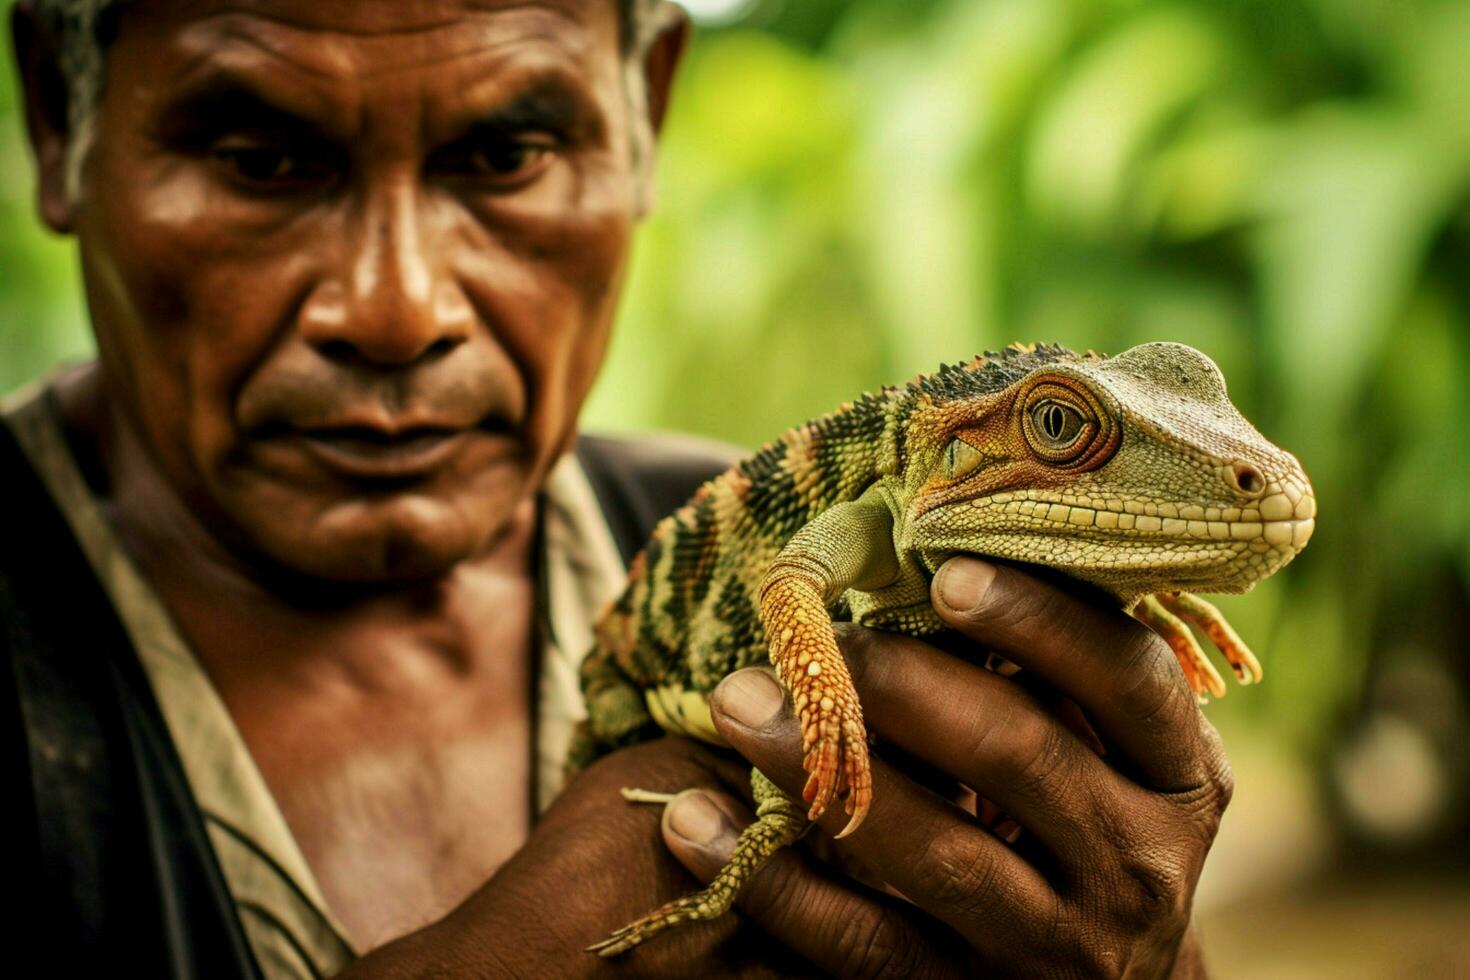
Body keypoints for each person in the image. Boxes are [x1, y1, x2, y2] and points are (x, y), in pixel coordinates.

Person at [4, 0, 1230, 975]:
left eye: (506, 153)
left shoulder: (723, 534)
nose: (394, 307)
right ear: (61, 123)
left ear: (643, 118)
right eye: (260, 158)